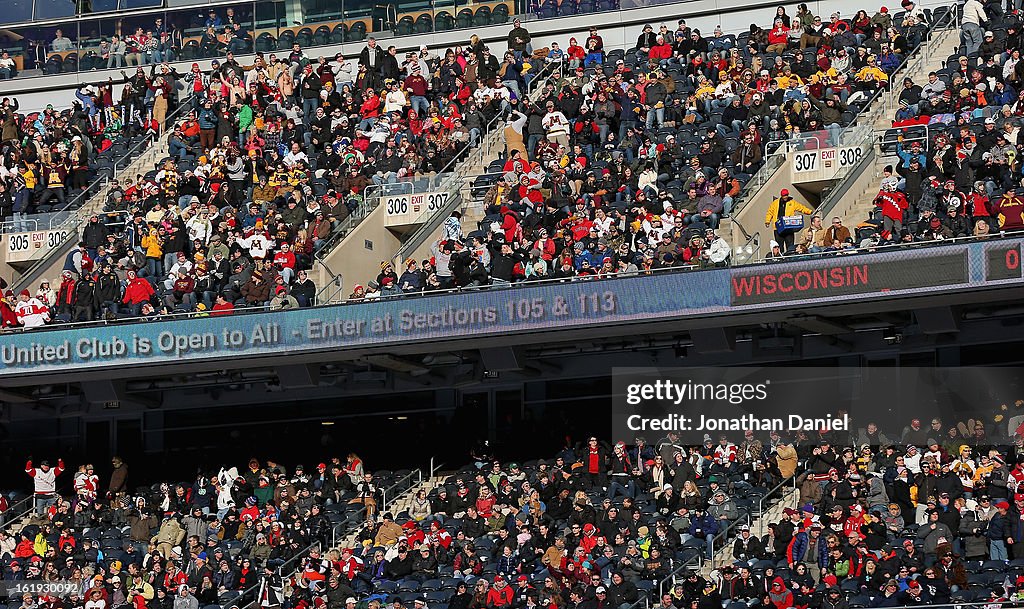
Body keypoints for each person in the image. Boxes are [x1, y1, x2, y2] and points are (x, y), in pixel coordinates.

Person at [764, 188, 814, 253]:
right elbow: (770, 212)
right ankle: (781, 258)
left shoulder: (792, 202)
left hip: (788, 227)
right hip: (778, 227)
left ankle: (789, 256)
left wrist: (809, 211)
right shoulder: (775, 203)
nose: (785, 197)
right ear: (781, 196)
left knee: (790, 245)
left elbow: (801, 208)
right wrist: (767, 221)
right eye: (784, 196)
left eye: (786, 195)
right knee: (779, 245)